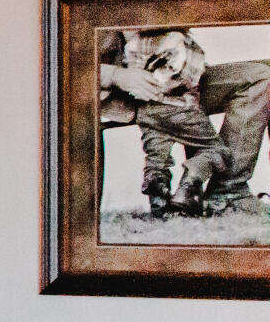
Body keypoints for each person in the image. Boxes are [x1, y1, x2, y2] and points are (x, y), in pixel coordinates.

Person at [99, 27, 270, 216]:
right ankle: (210, 190)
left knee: (260, 76)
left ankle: (226, 192)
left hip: (173, 83)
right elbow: (66, 61)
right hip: (127, 95)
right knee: (213, 148)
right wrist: (115, 75)